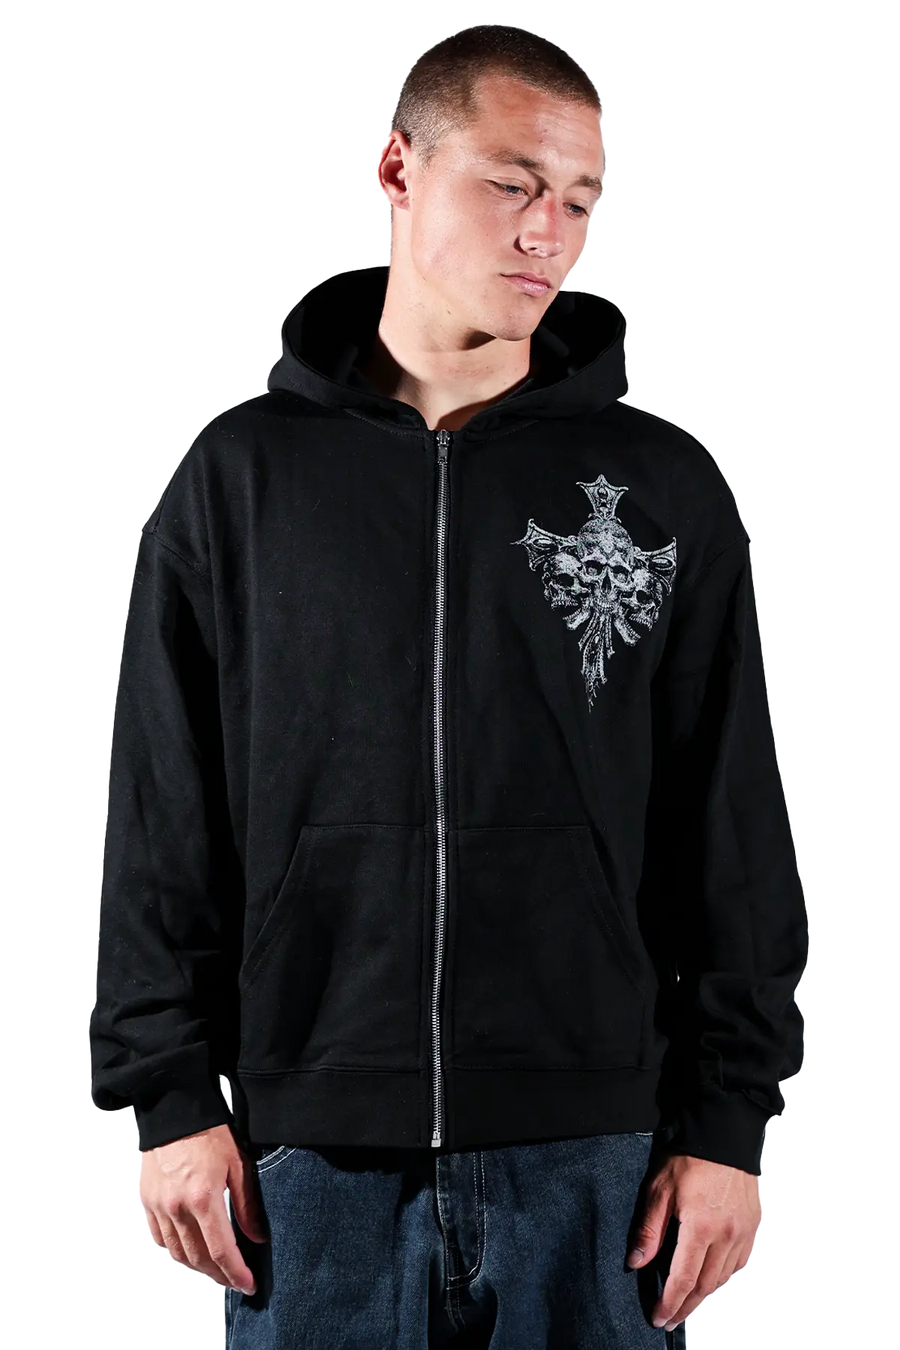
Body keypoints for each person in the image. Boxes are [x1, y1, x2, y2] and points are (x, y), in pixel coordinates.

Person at [87, 22, 809, 1350]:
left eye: (582, 199)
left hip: (598, 1166)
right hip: (305, 1169)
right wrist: (167, 1100)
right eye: (513, 183)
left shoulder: (663, 488)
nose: (551, 232)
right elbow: (159, 815)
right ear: (398, 168)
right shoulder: (240, 480)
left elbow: (734, 829)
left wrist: (728, 1127)